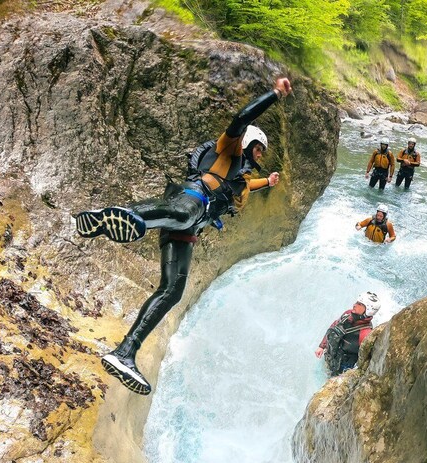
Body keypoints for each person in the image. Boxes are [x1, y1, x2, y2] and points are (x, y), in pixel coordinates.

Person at [74, 77, 293, 395]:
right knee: (182, 213)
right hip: (191, 198)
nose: (261, 155)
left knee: (173, 290)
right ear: (248, 144)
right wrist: (275, 94)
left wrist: (269, 182)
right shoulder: (227, 151)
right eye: (259, 148)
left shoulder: (239, 178)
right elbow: (241, 118)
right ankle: (119, 216)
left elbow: (250, 187)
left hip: (192, 226)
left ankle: (125, 353)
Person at [315, 292, 381, 376]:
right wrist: (322, 346)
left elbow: (364, 361)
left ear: (368, 310)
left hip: (343, 368)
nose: (354, 305)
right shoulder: (347, 314)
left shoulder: (364, 334)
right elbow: (334, 326)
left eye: (359, 304)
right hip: (332, 355)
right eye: (356, 302)